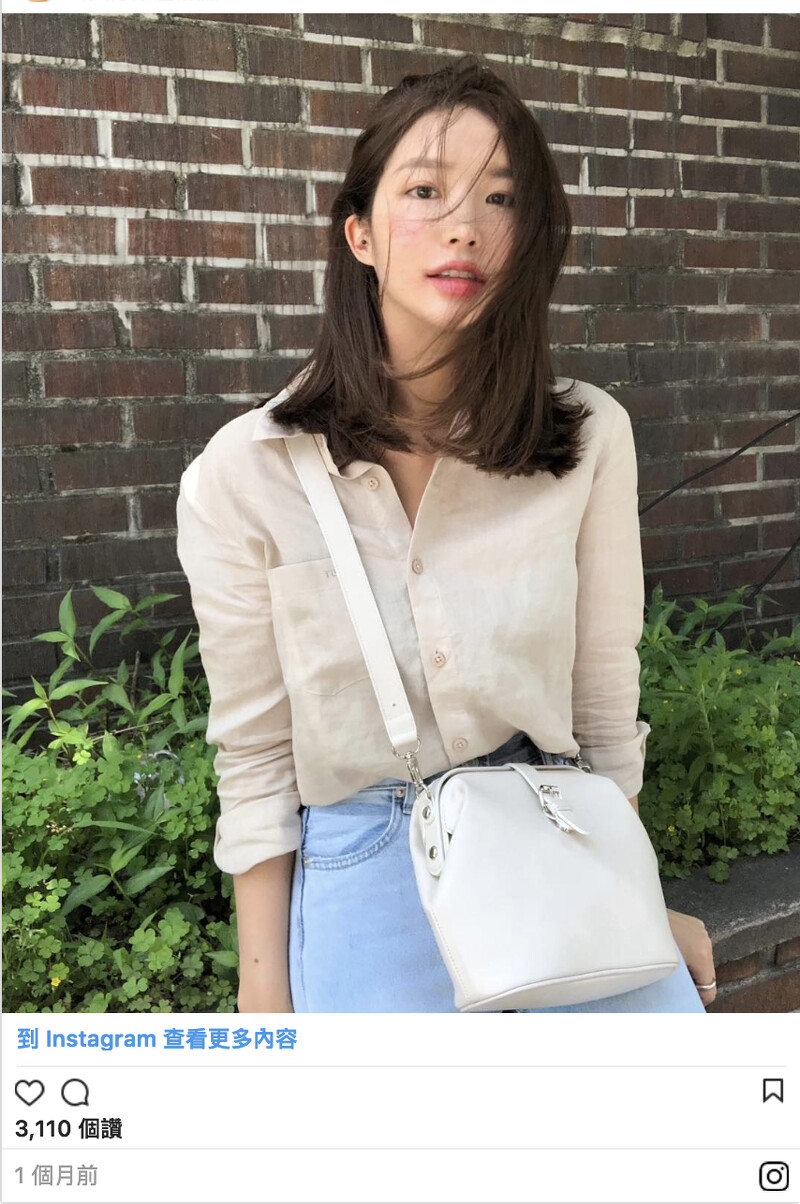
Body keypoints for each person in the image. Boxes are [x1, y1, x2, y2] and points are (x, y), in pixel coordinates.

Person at [176, 55, 716, 1014]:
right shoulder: (246, 472)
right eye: (425, 191)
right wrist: (265, 998)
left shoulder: (587, 437)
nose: (465, 224)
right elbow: (254, 757)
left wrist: (639, 899)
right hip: (366, 872)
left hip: (559, 845)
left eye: (501, 198)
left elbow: (602, 705)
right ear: (360, 233)